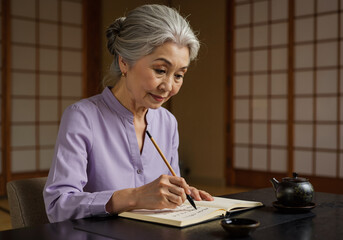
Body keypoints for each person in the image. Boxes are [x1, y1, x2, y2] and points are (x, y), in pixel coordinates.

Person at [43, 4, 213, 223]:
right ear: (124, 61)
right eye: (160, 70)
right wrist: (134, 196)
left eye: (179, 75)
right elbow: (57, 206)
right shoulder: (82, 117)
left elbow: (168, 190)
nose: (169, 86)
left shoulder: (168, 122)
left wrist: (181, 194)